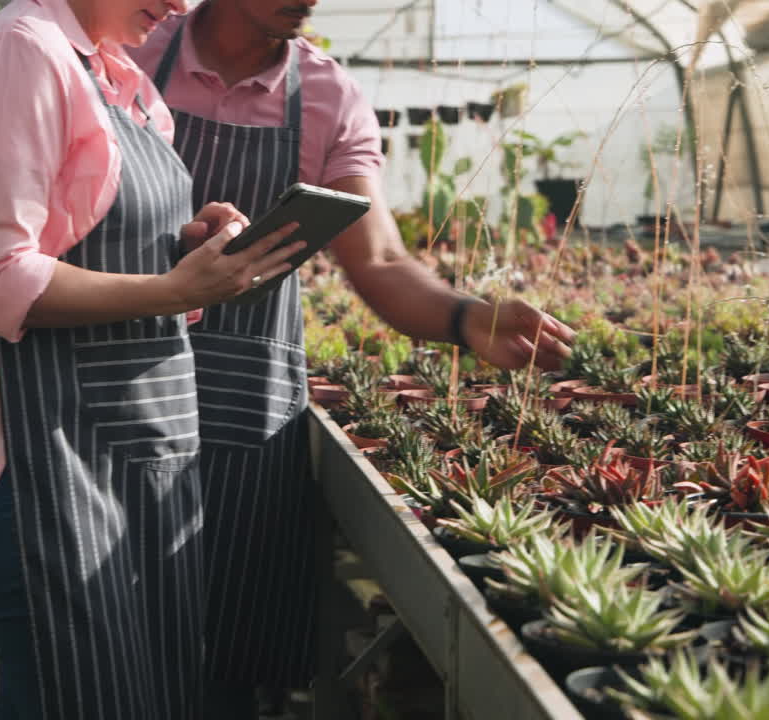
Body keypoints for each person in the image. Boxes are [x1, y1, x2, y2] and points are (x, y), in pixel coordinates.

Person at [125, 0, 577, 715]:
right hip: (118, 386)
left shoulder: (328, 96)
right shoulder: (133, 49)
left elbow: (382, 259)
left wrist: (465, 318)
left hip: (241, 411)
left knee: (228, 670)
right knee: (108, 645)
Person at [0, 1, 305, 719]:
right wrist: (170, 288)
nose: (181, 6)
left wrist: (191, 249)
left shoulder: (111, 72)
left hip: (126, 459)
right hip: (38, 468)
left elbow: (99, 248)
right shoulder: (17, 53)